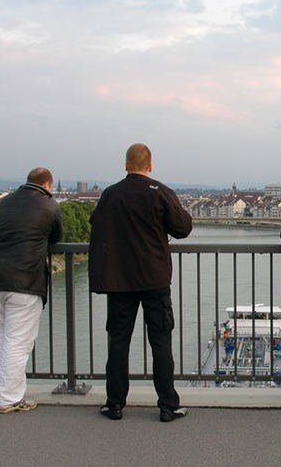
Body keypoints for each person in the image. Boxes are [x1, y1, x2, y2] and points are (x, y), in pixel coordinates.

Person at [89, 143, 193, 422]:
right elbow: (182, 228)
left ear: (125, 165)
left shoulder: (110, 194)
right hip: (154, 278)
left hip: (119, 280)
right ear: (150, 166)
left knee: (119, 341)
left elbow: (95, 223)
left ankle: (115, 404)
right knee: (160, 341)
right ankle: (168, 405)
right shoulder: (159, 192)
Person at [0, 167, 63, 414]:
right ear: (47, 185)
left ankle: (7, 392)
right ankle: (10, 399)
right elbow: (56, 236)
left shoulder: (3, 203)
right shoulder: (49, 205)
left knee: (7, 338)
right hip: (24, 280)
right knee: (18, 342)